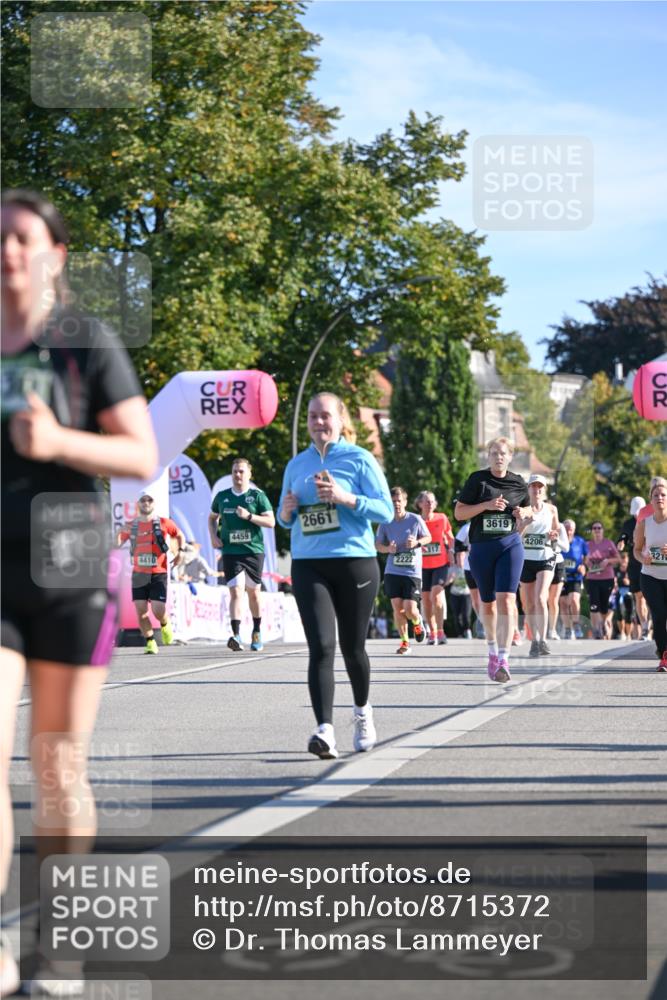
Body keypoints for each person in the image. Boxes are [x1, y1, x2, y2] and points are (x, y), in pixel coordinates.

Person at [1, 189, 157, 996]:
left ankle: (60, 949)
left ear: (54, 255)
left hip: (68, 566)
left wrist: (59, 440)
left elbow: (141, 455)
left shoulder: (84, 344)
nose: (8, 252)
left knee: (56, 763)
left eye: (23, 238)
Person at [277, 391, 393, 759]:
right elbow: (284, 518)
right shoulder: (297, 465)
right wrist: (287, 511)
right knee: (321, 647)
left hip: (354, 562)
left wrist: (346, 498)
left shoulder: (360, 460)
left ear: (341, 420)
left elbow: (386, 511)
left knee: (352, 647)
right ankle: (324, 729)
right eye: (312, 416)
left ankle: (362, 712)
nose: (318, 422)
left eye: (325, 416)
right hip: (309, 563)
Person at [454, 437, 531, 683]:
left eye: (503, 453)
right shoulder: (478, 480)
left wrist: (524, 516)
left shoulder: (519, 483)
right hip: (481, 548)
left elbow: (527, 517)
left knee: (508, 600)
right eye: (494, 453)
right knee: (487, 605)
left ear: (510, 457)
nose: (499, 457)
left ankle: (504, 658)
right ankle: (491, 650)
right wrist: (486, 505)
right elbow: (459, 513)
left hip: (510, 545)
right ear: (488, 456)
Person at [209, 457, 275, 652]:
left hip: (253, 550)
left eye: (241, 471)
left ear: (249, 474)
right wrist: (213, 536)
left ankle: (256, 630)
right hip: (230, 551)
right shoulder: (222, 496)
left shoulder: (257, 496)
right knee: (236, 590)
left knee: (253, 592)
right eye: (235, 471)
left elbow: (271, 522)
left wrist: (249, 516)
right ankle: (236, 635)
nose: (237, 475)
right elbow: (212, 518)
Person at [116, 495, 185, 653]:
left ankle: (165, 623)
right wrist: (119, 532)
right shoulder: (132, 525)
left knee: (158, 609)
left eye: (150, 500)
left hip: (158, 572)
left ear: (154, 504)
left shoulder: (164, 522)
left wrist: (180, 552)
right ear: (138, 504)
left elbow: (179, 535)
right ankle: (150, 641)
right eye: (143, 501)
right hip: (139, 574)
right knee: (141, 610)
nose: (146, 503)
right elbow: (116, 544)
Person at [375, 487, 430, 655]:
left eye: (399, 501)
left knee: (410, 609)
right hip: (392, 571)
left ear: (405, 502)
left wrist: (416, 544)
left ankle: (418, 621)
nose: (397, 504)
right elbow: (377, 545)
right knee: (398, 608)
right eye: (393, 501)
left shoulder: (415, 519)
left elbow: (428, 537)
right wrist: (387, 549)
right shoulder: (385, 522)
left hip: (412, 572)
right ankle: (405, 642)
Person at [519, 474, 560, 658]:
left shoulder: (551, 509)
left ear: (544, 490)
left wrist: (554, 535)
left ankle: (542, 640)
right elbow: (516, 534)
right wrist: (525, 525)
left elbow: (556, 531)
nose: (537, 490)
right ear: (528, 489)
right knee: (528, 603)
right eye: (533, 487)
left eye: (540, 487)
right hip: (526, 559)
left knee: (541, 598)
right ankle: (534, 639)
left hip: (545, 556)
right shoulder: (523, 510)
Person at [634, 477, 667, 671]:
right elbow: (637, 550)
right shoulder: (644, 523)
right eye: (656, 495)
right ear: (650, 499)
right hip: (650, 576)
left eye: (663, 495)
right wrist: (643, 558)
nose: (660, 498)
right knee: (659, 615)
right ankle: (663, 655)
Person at [414, 490, 454, 645]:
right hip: (422, 566)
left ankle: (440, 631)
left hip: (440, 564)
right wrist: (417, 546)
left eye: (432, 501)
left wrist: (451, 550)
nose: (429, 504)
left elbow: (450, 537)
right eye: (426, 501)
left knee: (435, 597)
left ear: (435, 504)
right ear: (419, 504)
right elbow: (409, 540)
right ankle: (432, 632)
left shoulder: (442, 518)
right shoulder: (415, 521)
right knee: (426, 602)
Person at [618, 497, 651, 641]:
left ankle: (650, 624)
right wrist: (621, 543)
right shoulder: (628, 524)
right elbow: (623, 537)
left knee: (649, 597)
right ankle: (644, 627)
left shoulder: (651, 521)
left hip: (649, 562)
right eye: (635, 512)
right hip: (634, 564)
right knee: (639, 596)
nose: (637, 515)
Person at [585, 521, 620, 639]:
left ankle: (604, 623)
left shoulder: (608, 543)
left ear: (603, 530)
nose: (597, 530)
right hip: (592, 579)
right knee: (594, 605)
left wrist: (607, 561)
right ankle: (597, 629)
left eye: (599, 528)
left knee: (604, 606)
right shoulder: (588, 544)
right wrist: (587, 561)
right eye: (594, 528)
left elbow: (618, 559)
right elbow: (582, 557)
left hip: (607, 578)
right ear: (592, 531)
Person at [559, 519, 588, 640]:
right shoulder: (559, 541)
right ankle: (567, 629)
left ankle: (576, 625)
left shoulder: (580, 541)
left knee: (574, 600)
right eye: (566, 529)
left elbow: (586, 556)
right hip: (561, 576)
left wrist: (583, 565)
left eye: (570, 529)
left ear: (574, 530)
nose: (568, 531)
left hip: (575, 576)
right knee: (563, 603)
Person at [454, 522, 482, 638]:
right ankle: (482, 620)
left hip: (486, 568)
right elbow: (457, 545)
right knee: (475, 600)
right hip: (469, 567)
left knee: (486, 597)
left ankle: (487, 624)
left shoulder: (487, 523)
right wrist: (468, 547)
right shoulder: (467, 528)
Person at [547, 521, 570, 641]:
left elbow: (566, 548)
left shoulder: (560, 526)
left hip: (558, 563)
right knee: (542, 598)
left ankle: (552, 629)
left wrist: (556, 539)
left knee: (553, 599)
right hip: (542, 562)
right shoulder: (538, 523)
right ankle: (541, 627)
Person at [612, 553, 634, 641]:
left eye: (625, 560)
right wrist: (615, 584)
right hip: (619, 592)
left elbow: (636, 582)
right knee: (619, 613)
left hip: (629, 593)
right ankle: (622, 633)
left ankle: (628, 634)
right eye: (622, 560)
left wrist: (629, 582)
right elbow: (613, 581)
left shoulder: (631, 570)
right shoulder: (616, 570)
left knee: (629, 614)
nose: (624, 562)